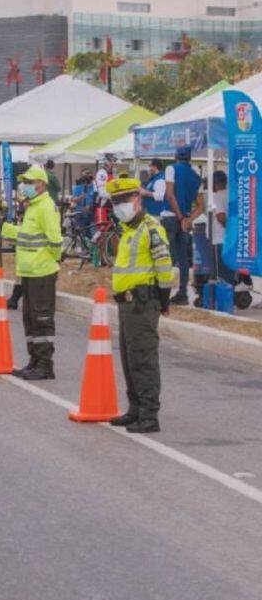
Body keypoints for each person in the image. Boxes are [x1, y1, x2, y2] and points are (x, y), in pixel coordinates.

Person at [106, 177, 174, 434]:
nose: (119, 206)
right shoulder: (129, 231)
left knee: (143, 358)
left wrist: (164, 300)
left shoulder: (151, 228)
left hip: (144, 302)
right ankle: (134, 409)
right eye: (115, 202)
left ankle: (148, 414)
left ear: (137, 199)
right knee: (129, 357)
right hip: (127, 304)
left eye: (123, 200)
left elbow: (164, 267)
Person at [0, 165, 62, 380]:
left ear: (41, 184)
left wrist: (52, 259)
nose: (24, 186)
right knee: (30, 318)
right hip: (29, 271)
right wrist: (5, 228)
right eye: (24, 182)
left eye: (29, 182)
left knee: (42, 318)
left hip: (42, 271)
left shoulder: (46, 206)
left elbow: (55, 240)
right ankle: (34, 360)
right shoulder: (33, 207)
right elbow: (28, 235)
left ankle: (45, 364)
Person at [162, 146, 201, 305]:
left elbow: (170, 195)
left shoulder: (171, 169)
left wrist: (179, 216)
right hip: (184, 221)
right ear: (189, 158)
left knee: (164, 257)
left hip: (171, 218)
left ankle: (162, 293)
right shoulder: (196, 176)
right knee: (183, 259)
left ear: (176, 156)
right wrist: (187, 219)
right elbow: (200, 206)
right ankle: (182, 294)